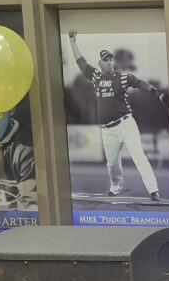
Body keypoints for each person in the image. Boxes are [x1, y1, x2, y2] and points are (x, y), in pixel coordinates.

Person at [67, 30, 163, 201]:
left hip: (126, 124)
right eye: (106, 60)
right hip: (107, 129)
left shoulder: (122, 77)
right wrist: (73, 42)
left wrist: (155, 92)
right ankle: (115, 188)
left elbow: (138, 83)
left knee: (139, 156)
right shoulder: (96, 76)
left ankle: (153, 190)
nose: (110, 62)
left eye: (111, 59)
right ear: (100, 64)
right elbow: (81, 62)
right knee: (112, 164)